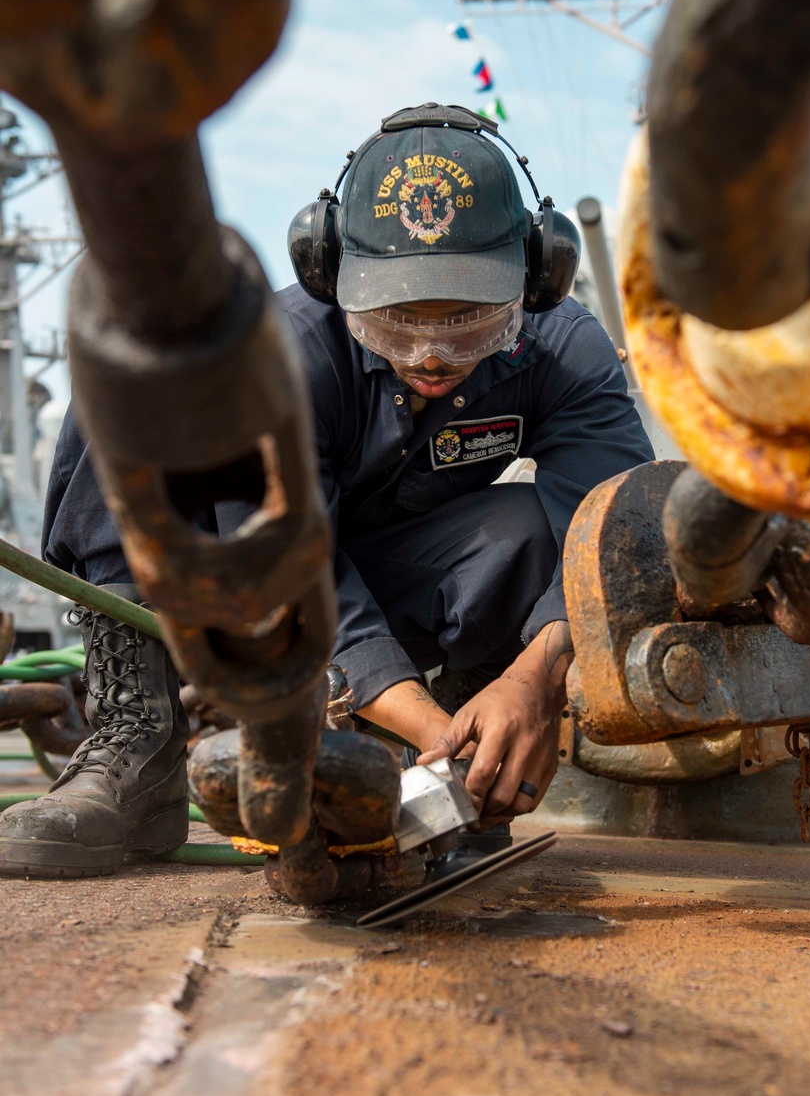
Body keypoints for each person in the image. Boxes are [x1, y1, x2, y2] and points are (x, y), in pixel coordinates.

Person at [0, 103, 653, 878]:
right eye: (396, 321)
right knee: (135, 391)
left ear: (537, 278)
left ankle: (480, 764)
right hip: (235, 589)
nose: (433, 356)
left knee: (537, 526)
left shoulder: (566, 350)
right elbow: (289, 574)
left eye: (471, 322)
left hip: (388, 590)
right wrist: (433, 729)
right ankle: (135, 751)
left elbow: (619, 534)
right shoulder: (284, 354)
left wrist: (532, 684)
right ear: (331, 272)